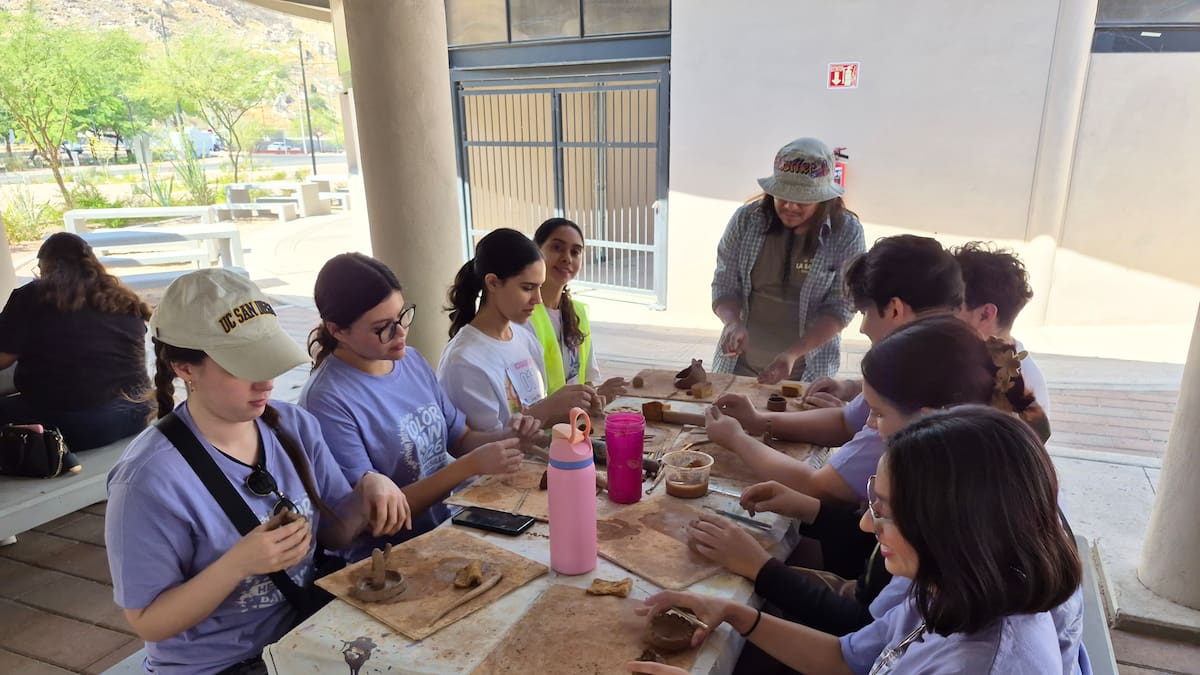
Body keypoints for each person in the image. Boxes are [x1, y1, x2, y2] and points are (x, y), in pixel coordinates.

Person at [105, 269, 411, 675]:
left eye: (268, 360)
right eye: (242, 367)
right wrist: (238, 564)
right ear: (184, 367)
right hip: (221, 664)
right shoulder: (147, 481)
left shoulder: (293, 426)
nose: (266, 382)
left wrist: (371, 485)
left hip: (304, 633)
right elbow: (148, 620)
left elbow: (334, 532)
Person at [628, 407, 1082, 675]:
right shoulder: (950, 586)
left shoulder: (980, 664)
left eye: (883, 510)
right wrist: (737, 614)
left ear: (948, 526)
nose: (866, 524)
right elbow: (847, 659)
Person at [689, 316, 1048, 638]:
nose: (869, 425)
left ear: (926, 419)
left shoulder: (960, 511)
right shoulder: (968, 472)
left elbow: (860, 628)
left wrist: (761, 568)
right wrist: (811, 510)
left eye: (877, 413)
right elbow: (874, 565)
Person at [301, 253, 539, 558]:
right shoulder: (327, 401)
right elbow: (379, 514)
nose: (400, 332)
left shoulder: (409, 360)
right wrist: (471, 465)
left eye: (403, 315)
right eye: (382, 327)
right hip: (389, 560)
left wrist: (509, 437)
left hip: (448, 528)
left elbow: (461, 438)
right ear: (337, 331)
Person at [708, 235, 964, 508]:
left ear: (894, 309)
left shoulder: (918, 375)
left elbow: (820, 487)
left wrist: (736, 439)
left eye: (865, 313)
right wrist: (759, 421)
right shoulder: (944, 350)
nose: (863, 328)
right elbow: (846, 421)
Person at [711, 137, 865, 384]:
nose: (790, 206)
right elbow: (724, 284)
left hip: (807, 370)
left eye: (802, 198)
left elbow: (841, 307)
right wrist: (732, 322)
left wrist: (793, 353)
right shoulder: (746, 219)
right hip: (737, 365)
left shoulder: (847, 231)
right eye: (782, 195)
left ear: (823, 197)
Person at [439, 227, 602, 432]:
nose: (538, 300)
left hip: (533, 462)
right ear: (493, 283)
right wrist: (548, 408)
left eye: (539, 287)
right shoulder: (465, 361)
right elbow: (483, 447)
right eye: (527, 288)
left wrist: (578, 406)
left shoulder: (524, 338)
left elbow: (536, 423)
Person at [0, 232, 151, 450]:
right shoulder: (122, 297)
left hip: (77, 425)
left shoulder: (32, 295)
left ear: (46, 266)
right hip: (137, 413)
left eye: (40, 269)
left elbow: (3, 359)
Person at [524, 217, 626, 399]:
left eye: (575, 252)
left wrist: (597, 396)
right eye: (557, 248)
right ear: (536, 250)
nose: (566, 258)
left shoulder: (578, 313)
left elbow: (586, 380)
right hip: (542, 426)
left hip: (575, 425)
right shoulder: (523, 316)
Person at [953, 240, 1051, 413]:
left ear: (985, 314)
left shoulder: (1018, 391)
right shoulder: (969, 357)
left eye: (951, 306)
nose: (936, 313)